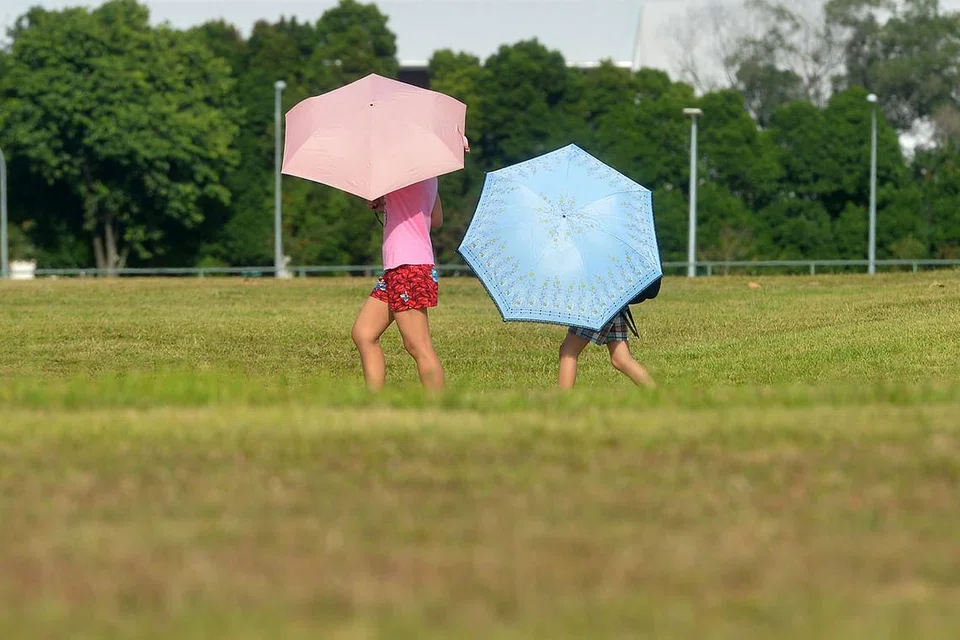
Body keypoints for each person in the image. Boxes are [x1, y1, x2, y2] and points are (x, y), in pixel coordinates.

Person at [351, 178, 444, 391]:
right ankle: (374, 404)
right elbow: (436, 219)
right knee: (364, 333)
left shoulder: (400, 174)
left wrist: (379, 197)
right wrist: (387, 204)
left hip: (408, 266)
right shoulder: (427, 175)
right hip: (400, 268)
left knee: (418, 346)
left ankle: (440, 408)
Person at [558, 310, 656, 390]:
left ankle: (563, 404)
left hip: (597, 305)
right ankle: (657, 395)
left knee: (568, 351)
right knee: (621, 359)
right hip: (615, 301)